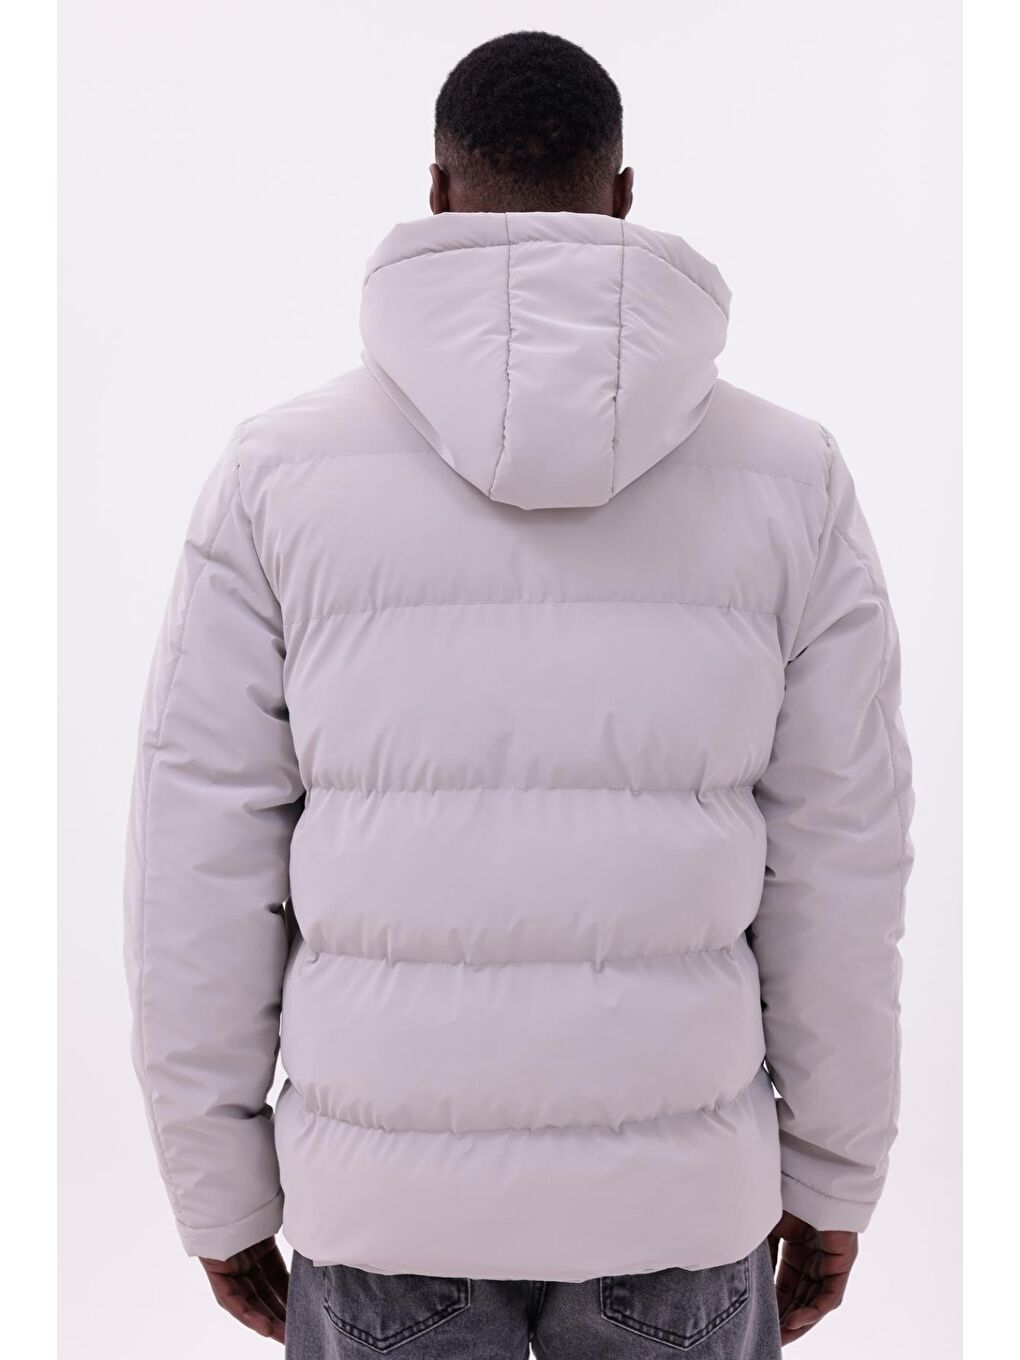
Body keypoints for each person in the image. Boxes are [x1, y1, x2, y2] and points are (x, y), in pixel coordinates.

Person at [124, 29, 914, 1358]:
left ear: (438, 193)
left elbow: (195, 865)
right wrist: (835, 1174)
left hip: (385, 1214)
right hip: (678, 1209)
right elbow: (844, 861)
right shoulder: (794, 478)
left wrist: (219, 1188)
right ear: (623, 196)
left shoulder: (276, 476)